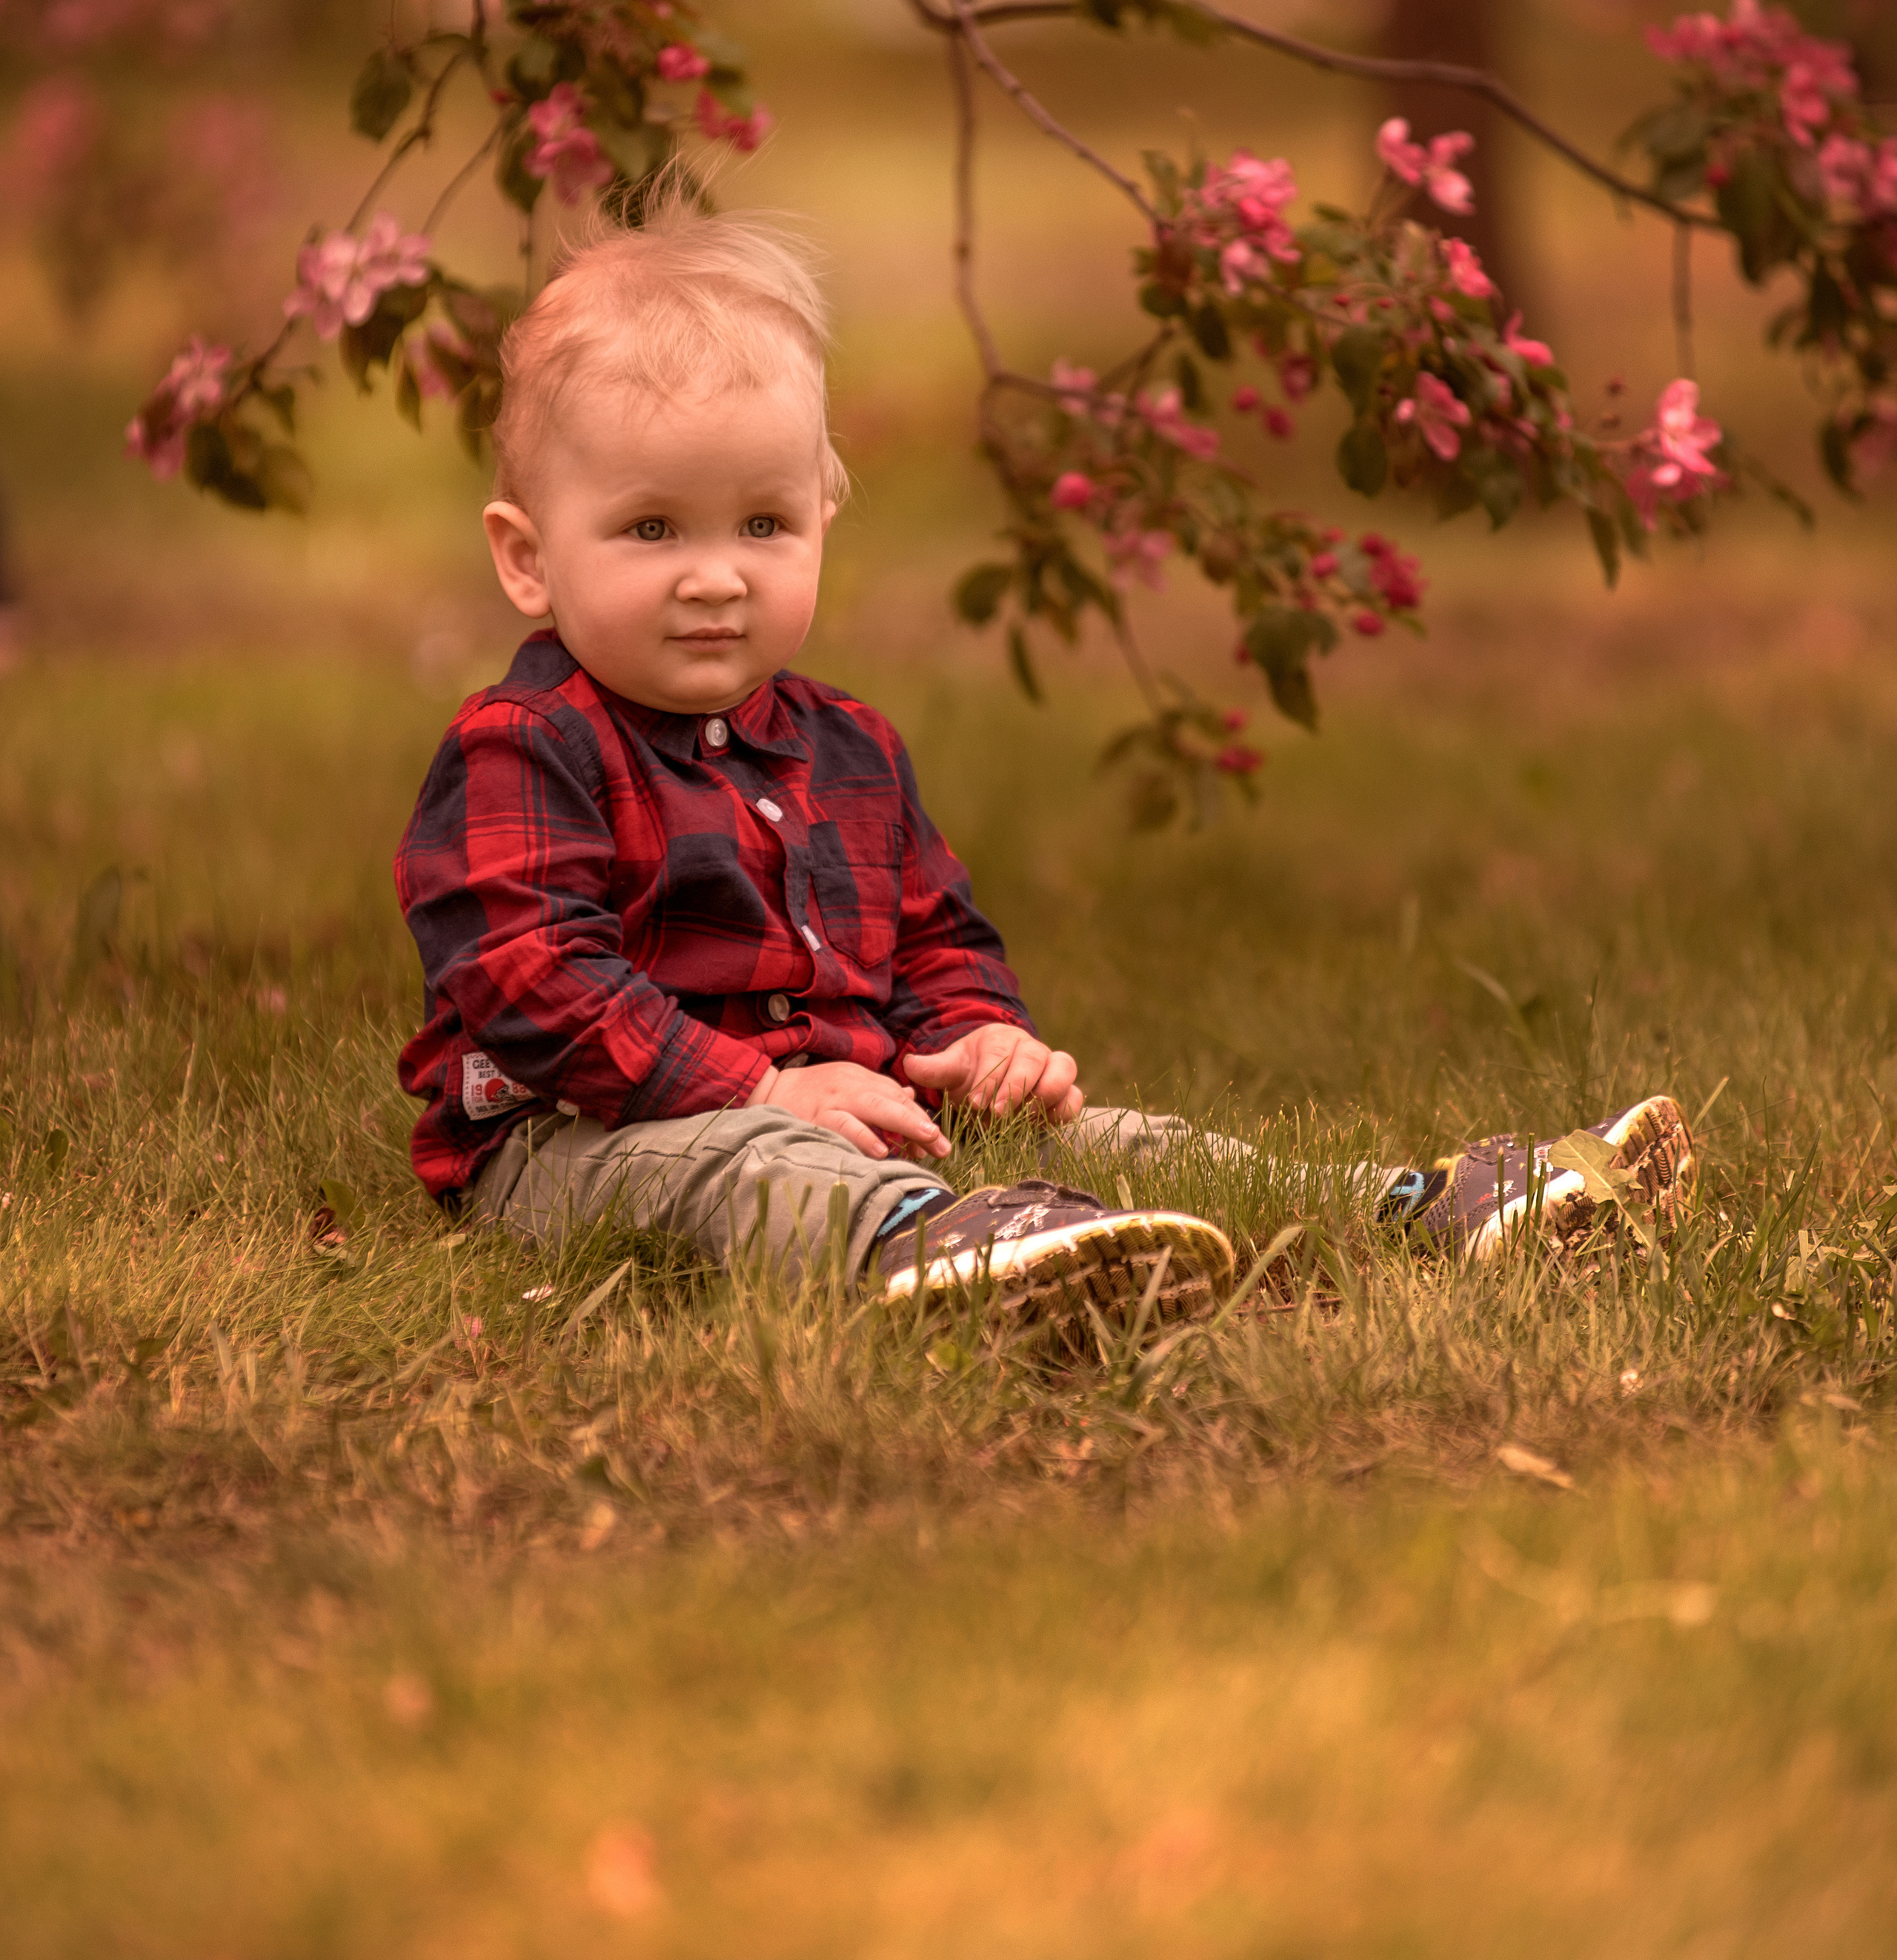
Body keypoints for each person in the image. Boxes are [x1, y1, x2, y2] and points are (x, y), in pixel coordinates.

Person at [393, 196, 1693, 1335]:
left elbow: (932, 934)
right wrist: (762, 1087)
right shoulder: (529, 746)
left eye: (765, 522)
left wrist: (974, 1041)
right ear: (528, 556)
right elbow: (535, 986)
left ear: (823, 519)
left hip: (851, 1105)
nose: (718, 573)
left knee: (1109, 1134)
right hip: (583, 1137)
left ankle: (1419, 1206)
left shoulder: (847, 745)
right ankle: (937, 1252)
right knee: (745, 1169)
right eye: (652, 527)